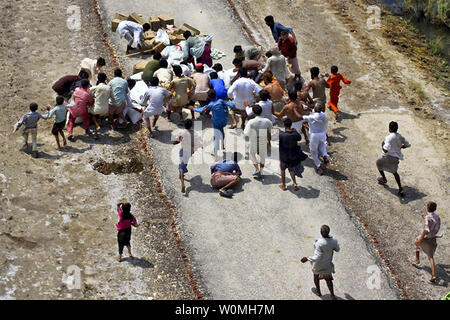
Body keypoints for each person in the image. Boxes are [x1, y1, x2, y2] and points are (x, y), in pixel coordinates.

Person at [193, 90, 235, 160]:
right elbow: (232, 105)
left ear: (209, 97)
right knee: (221, 130)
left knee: (216, 138)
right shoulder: (221, 101)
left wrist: (194, 108)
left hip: (216, 122)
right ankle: (222, 145)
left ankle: (215, 156)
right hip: (224, 120)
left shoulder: (210, 104)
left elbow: (202, 110)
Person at [301, 225, 340, 300]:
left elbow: (317, 257)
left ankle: (318, 291)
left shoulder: (319, 243)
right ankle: (332, 295)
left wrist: (307, 258)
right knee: (328, 279)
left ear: (321, 233)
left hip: (318, 264)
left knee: (316, 275)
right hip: (327, 263)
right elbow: (337, 249)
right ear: (329, 232)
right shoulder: (334, 241)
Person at [376, 121, 411, 197]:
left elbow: (386, 149)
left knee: (378, 163)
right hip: (395, 158)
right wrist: (400, 147)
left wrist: (382, 146)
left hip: (387, 156)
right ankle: (400, 189)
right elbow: (408, 145)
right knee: (395, 172)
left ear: (389, 129)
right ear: (397, 129)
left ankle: (384, 179)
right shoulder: (400, 137)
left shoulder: (388, 137)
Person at [411, 202, 442, 283]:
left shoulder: (428, 217)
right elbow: (433, 224)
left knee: (417, 242)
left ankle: (417, 259)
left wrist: (421, 238)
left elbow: (426, 229)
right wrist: (424, 216)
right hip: (433, 238)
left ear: (428, 208)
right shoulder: (437, 217)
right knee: (430, 256)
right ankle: (433, 274)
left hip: (426, 237)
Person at [244, 104, 273, 178]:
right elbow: (270, 132)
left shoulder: (251, 122)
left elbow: (246, 133)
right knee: (262, 156)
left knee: (252, 154)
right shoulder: (267, 121)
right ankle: (262, 171)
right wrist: (269, 142)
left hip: (253, 139)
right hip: (263, 139)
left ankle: (257, 169)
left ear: (253, 112)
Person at [279, 118, 308, 191]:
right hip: (292, 156)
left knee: (282, 170)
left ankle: (284, 185)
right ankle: (294, 183)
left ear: (284, 125)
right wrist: (294, 130)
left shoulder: (281, 135)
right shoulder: (294, 133)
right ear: (291, 125)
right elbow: (299, 138)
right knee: (291, 169)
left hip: (284, 156)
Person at [301, 103, 330, 175]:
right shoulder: (323, 115)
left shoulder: (311, 117)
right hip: (322, 135)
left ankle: (318, 166)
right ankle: (325, 156)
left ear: (316, 109)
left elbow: (301, 117)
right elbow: (314, 111)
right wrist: (308, 108)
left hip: (314, 136)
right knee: (322, 146)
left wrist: (295, 111)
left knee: (313, 151)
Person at [173, 119, 196, 193]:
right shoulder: (193, 133)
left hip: (183, 150)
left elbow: (176, 141)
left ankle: (182, 184)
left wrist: (174, 142)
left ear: (185, 125)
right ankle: (180, 175)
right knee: (184, 163)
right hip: (190, 151)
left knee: (181, 166)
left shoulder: (182, 133)